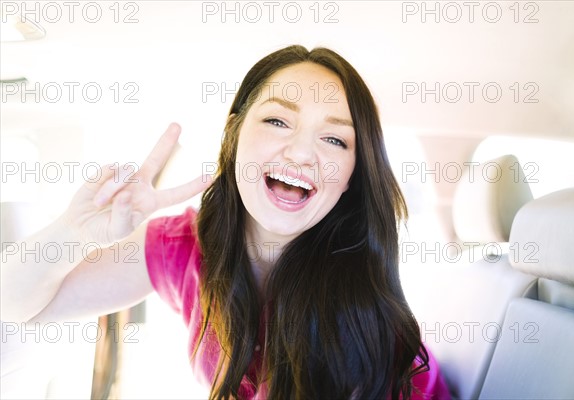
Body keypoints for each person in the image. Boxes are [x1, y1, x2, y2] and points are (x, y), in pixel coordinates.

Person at [1, 45, 450, 399]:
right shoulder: (184, 245)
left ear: (352, 175)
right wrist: (74, 234)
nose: (300, 153)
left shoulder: (367, 315)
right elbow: (16, 306)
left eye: (334, 139)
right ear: (234, 134)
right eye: (277, 121)